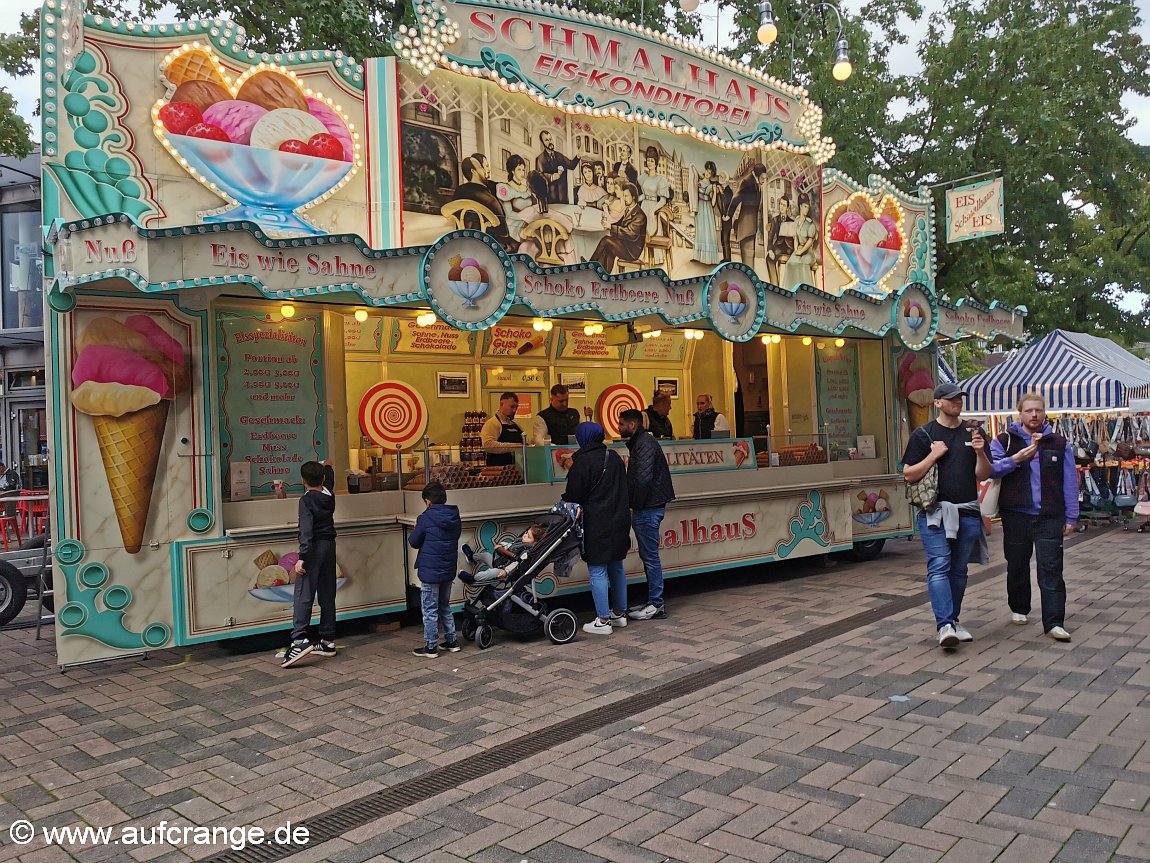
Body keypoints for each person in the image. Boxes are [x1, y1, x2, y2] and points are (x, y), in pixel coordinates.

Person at [902, 382, 991, 649]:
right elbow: (908, 474)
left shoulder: (974, 432)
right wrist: (934, 455)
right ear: (937, 403)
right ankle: (944, 626)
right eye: (951, 399)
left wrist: (980, 452)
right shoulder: (924, 434)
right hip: (935, 512)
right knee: (940, 564)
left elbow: (983, 474)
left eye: (959, 399)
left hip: (967, 510)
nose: (957, 403)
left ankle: (952, 620)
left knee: (959, 570)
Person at [989, 393, 1077, 642]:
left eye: (1038, 410)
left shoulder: (1058, 443)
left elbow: (1070, 480)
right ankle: (1019, 607)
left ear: (1045, 412)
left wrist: (1071, 515)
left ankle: (1054, 622)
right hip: (1016, 514)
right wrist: (1016, 459)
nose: (1034, 415)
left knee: (1051, 568)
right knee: (1017, 564)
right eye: (1029, 410)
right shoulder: (1005, 440)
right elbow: (991, 470)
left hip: (1049, 515)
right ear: (1020, 414)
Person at [562, 422, 630, 635]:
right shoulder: (614, 457)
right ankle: (619, 614)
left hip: (596, 522)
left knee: (598, 569)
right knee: (616, 566)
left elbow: (573, 495)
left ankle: (603, 620)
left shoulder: (582, 462)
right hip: (619, 519)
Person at [619, 409, 676, 620]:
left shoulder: (644, 445)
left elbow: (642, 480)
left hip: (648, 508)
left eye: (622, 424)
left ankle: (656, 604)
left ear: (632, 425)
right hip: (649, 506)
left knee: (650, 557)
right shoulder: (642, 443)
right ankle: (653, 600)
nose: (619, 427)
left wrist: (634, 504)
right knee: (648, 556)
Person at [282, 460, 337, 668]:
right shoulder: (329, 495)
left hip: (313, 548)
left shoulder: (306, 501)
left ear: (302, 481)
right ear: (323, 478)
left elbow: (306, 530)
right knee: (327, 592)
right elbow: (330, 480)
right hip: (330, 546)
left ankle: (299, 640)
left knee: (303, 593)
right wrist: (328, 466)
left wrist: (302, 557)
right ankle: (327, 640)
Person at [408, 482, 463, 658]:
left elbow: (414, 542)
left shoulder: (424, 518)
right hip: (448, 568)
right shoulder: (454, 516)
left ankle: (431, 646)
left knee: (430, 609)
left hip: (430, 570)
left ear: (428, 501)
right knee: (444, 605)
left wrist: (415, 530)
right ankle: (452, 641)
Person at [454, 153, 512, 249]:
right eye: (483, 167)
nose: (487, 170)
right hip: (490, 244)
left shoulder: (459, 191)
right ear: (474, 171)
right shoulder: (487, 198)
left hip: (463, 241)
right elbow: (503, 231)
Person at [591, 182, 647, 273]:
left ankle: (590, 265)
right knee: (609, 249)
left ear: (633, 197)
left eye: (626, 196)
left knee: (606, 240)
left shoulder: (640, 215)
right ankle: (603, 273)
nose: (624, 198)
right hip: (625, 244)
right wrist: (609, 223)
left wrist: (611, 227)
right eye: (623, 196)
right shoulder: (628, 210)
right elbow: (620, 224)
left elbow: (630, 233)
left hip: (632, 251)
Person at [730, 164, 766, 265]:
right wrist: (729, 215)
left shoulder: (756, 184)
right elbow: (736, 198)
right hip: (746, 227)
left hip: (752, 228)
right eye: (763, 178)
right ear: (757, 175)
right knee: (748, 261)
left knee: (750, 261)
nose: (764, 180)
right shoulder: (747, 182)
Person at [782, 193, 818, 290]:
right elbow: (796, 238)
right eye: (805, 206)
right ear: (800, 206)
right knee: (790, 263)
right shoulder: (797, 221)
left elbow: (810, 241)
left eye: (808, 207)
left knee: (802, 263)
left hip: (808, 252)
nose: (807, 209)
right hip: (798, 250)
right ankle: (791, 289)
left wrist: (801, 251)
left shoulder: (810, 224)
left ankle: (807, 290)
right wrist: (796, 250)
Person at [535, 129, 579, 204]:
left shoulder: (559, 156)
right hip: (550, 199)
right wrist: (551, 177)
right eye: (546, 140)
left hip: (563, 198)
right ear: (543, 143)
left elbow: (571, 165)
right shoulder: (540, 159)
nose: (550, 142)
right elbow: (539, 177)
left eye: (550, 139)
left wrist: (578, 156)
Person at [481, 392, 524, 466]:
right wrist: (515, 446)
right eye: (512, 406)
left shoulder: (517, 426)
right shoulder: (492, 423)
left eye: (516, 407)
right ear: (502, 404)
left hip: (516, 470)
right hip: (498, 471)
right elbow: (488, 445)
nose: (514, 410)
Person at [637, 146, 670, 239]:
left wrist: (654, 211)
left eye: (652, 161)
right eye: (648, 160)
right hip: (644, 206)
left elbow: (663, 200)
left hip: (653, 207)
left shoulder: (660, 180)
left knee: (652, 234)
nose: (649, 163)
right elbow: (644, 195)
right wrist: (635, 201)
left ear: (656, 163)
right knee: (641, 234)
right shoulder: (643, 177)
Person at [693, 161, 722, 265]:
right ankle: (698, 257)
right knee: (700, 230)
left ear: (712, 174)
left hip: (708, 208)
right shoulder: (698, 182)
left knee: (708, 230)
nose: (707, 173)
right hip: (700, 207)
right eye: (706, 171)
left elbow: (713, 203)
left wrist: (714, 192)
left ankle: (709, 259)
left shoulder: (711, 185)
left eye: (710, 172)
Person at [764, 194, 792, 286]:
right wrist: (770, 250)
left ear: (787, 208)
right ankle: (774, 284)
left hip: (790, 247)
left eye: (784, 205)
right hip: (778, 247)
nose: (781, 207)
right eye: (780, 204)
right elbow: (770, 236)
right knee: (769, 258)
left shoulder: (792, 221)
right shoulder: (775, 220)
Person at [716, 172, 735, 262]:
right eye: (720, 176)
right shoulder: (724, 190)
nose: (720, 177)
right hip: (724, 218)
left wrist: (728, 216)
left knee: (725, 239)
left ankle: (727, 259)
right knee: (723, 239)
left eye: (722, 176)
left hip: (727, 219)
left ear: (726, 179)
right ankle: (726, 258)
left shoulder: (728, 191)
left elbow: (728, 204)